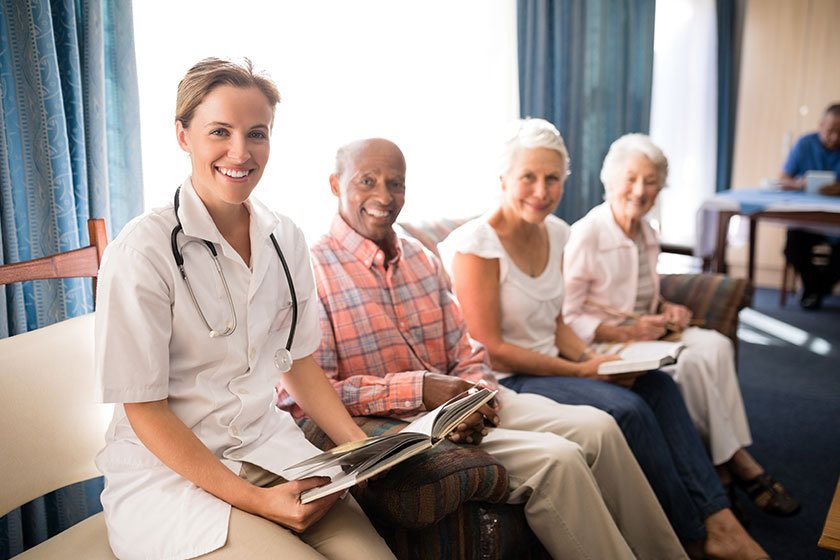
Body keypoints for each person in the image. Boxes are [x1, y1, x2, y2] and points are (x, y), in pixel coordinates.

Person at [277, 137, 689, 559]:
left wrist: (476, 397)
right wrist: (419, 388)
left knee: (601, 428)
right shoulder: (310, 270)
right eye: (367, 181)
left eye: (395, 183)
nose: (384, 196)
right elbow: (307, 393)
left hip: (467, 404)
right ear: (334, 184)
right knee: (559, 459)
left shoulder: (421, 257)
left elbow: (467, 348)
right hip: (404, 426)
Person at [93, 58, 395, 560]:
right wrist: (258, 502)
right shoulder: (142, 250)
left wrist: (364, 449)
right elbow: (143, 409)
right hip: (171, 479)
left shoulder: (285, 237)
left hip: (269, 449)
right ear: (183, 136)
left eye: (257, 133)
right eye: (219, 131)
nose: (240, 152)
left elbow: (296, 363)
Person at [440, 118, 770, 560]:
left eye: (552, 178)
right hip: (509, 377)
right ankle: (690, 535)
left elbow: (556, 322)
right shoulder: (476, 244)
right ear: (503, 180)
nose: (541, 190)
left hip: (554, 360)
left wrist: (595, 359)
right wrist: (582, 369)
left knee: (658, 386)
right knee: (627, 410)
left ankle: (720, 520)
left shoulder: (557, 231)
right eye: (528, 178)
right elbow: (491, 346)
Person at [561, 132, 800, 520]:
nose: (640, 191)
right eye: (631, 179)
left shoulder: (647, 232)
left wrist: (667, 307)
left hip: (647, 332)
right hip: (605, 343)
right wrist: (625, 332)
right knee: (687, 364)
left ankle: (724, 462)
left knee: (716, 345)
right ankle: (732, 467)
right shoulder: (587, 234)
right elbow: (568, 316)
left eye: (651, 181)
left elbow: (643, 295)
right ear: (610, 180)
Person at [778, 102, 840, 309]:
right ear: (821, 125)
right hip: (806, 221)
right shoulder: (805, 144)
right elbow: (783, 179)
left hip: (837, 225)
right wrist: (799, 183)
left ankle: (814, 290)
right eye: (831, 131)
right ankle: (816, 287)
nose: (835, 138)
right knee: (792, 249)